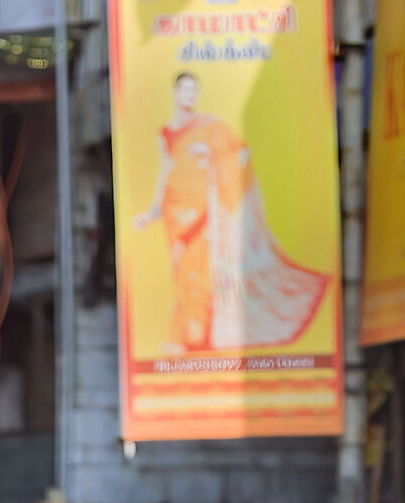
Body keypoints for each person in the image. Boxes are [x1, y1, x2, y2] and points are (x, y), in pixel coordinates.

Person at [132, 72, 327, 356]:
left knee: (196, 272)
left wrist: (211, 157)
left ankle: (192, 335)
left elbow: (240, 158)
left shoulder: (212, 127)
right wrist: (152, 212)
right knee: (180, 273)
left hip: (203, 212)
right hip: (175, 212)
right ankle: (189, 334)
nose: (190, 96)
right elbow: (165, 171)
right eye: (185, 90)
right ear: (175, 93)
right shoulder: (167, 133)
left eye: (194, 91)